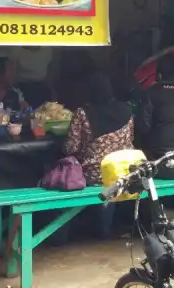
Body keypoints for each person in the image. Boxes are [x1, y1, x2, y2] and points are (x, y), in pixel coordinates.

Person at [61, 73, 133, 240]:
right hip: (123, 171)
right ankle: (106, 227)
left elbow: (70, 148)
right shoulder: (128, 110)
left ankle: (81, 230)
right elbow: (130, 140)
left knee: (88, 174)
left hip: (94, 174)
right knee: (110, 178)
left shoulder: (82, 113)